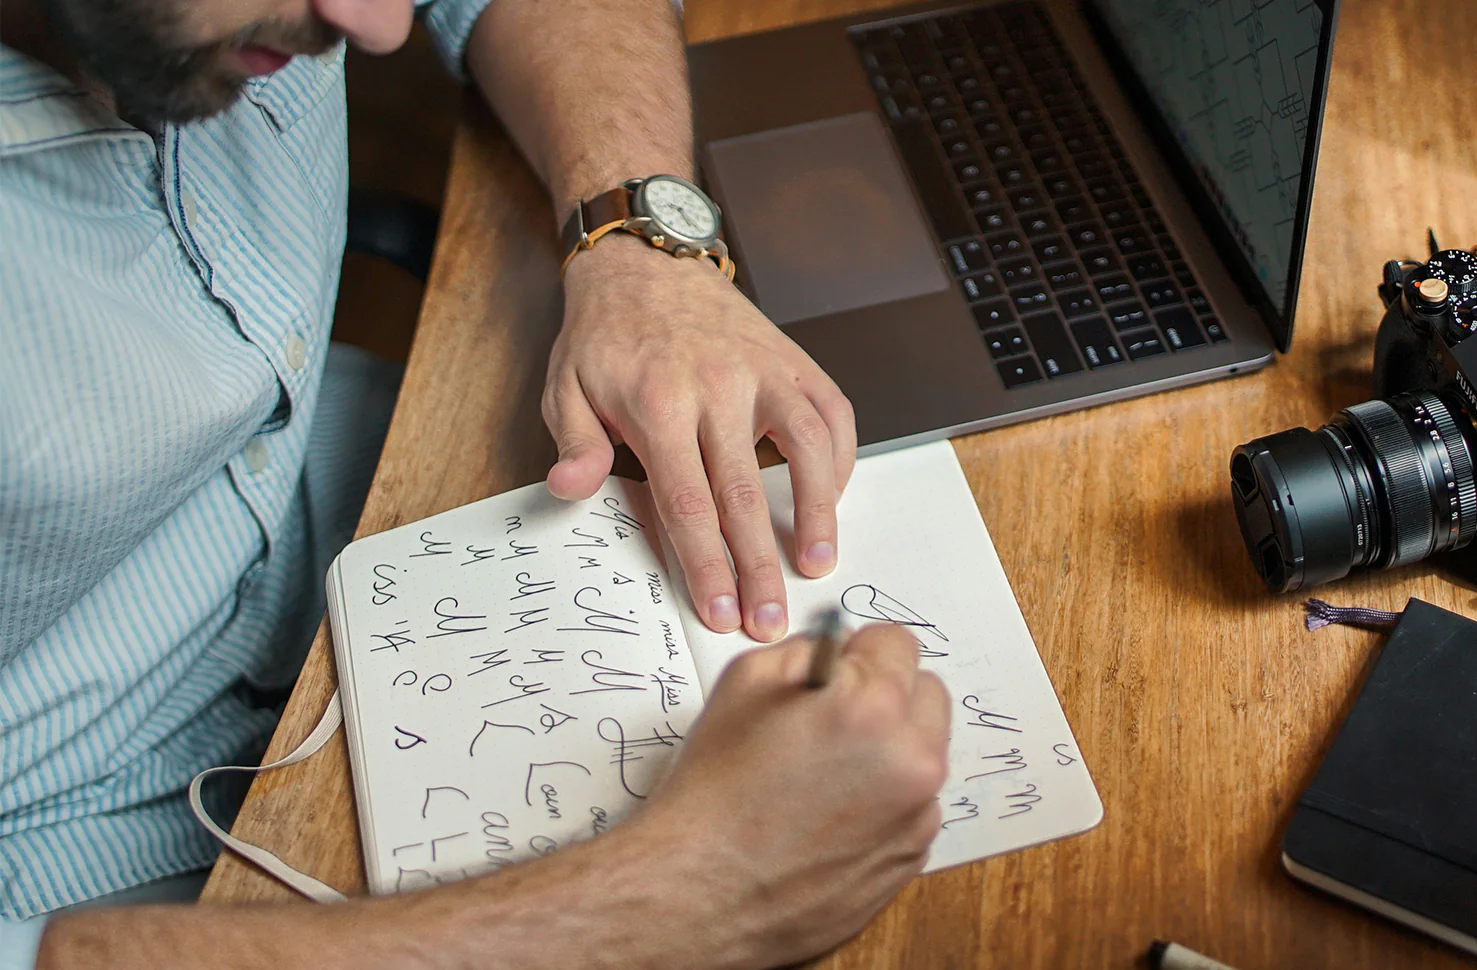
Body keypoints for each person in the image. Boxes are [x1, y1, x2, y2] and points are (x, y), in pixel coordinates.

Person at [0, 0, 950, 965]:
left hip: (380, 496)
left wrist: (639, 244)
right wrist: (689, 898)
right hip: (86, 852)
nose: (376, 28)